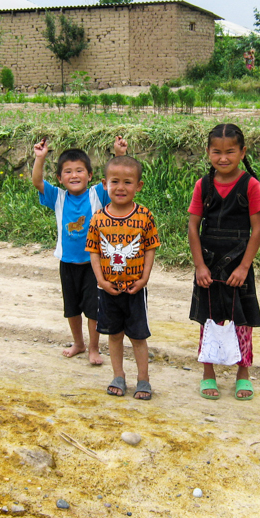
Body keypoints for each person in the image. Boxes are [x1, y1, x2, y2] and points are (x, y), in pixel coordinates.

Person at [188, 123, 260, 400]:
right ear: (208, 152)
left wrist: (244, 266)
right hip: (209, 264)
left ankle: (242, 374)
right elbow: (193, 227)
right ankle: (208, 373)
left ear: (242, 152)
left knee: (242, 321)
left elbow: (257, 229)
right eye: (216, 152)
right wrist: (200, 265)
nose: (223, 158)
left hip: (239, 263)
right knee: (208, 319)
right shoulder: (203, 185)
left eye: (230, 152)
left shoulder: (250, 185)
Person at [32, 135, 128, 365]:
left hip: (93, 265)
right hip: (67, 263)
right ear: (59, 178)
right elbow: (37, 182)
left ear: (90, 175)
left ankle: (94, 348)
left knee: (93, 310)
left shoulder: (98, 193)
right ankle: (79, 343)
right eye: (67, 172)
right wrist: (40, 158)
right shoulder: (58, 197)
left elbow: (116, 177)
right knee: (71, 308)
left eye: (79, 171)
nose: (74, 175)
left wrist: (119, 155)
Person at [87, 155, 160, 400]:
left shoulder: (145, 217)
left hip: (135, 290)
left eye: (128, 182)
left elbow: (150, 247)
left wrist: (145, 278)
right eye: (114, 181)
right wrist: (101, 281)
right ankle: (118, 376)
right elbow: (95, 252)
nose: (120, 188)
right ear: (104, 183)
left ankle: (143, 379)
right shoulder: (98, 219)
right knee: (114, 335)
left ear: (138, 186)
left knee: (138, 337)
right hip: (108, 290)